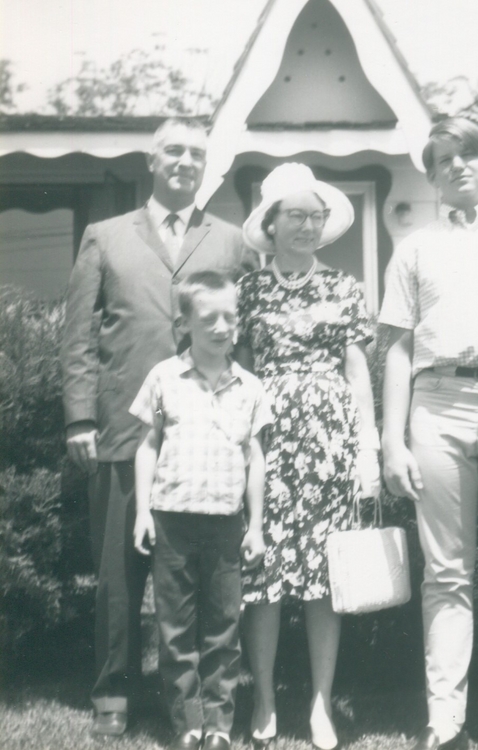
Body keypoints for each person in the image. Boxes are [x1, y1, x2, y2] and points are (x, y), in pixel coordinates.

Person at [61, 118, 257, 737]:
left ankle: (198, 704)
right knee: (119, 574)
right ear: (151, 160)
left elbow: (246, 339)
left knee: (206, 587)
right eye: (173, 150)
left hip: (211, 439)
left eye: (196, 154)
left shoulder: (229, 241)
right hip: (125, 428)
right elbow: (77, 336)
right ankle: (115, 693)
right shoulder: (105, 236)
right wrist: (81, 416)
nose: (184, 162)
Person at [380, 117, 478, 750]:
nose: (457, 166)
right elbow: (395, 348)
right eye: (442, 160)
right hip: (439, 408)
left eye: (467, 153)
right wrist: (391, 441)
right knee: (444, 574)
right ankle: (443, 722)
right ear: (432, 177)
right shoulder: (416, 247)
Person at [236, 163, 381, 750]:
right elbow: (239, 371)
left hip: (330, 441)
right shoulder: (248, 290)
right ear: (270, 223)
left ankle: (321, 702)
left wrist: (367, 450)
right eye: (294, 215)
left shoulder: (345, 288)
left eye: (314, 217)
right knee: (264, 575)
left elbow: (357, 373)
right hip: (266, 441)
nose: (305, 226)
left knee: (327, 576)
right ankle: (266, 697)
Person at [129, 271, 272, 750]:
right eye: (208, 318)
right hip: (171, 520)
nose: (220, 326)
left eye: (230, 316)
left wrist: (256, 526)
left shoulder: (250, 387)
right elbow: (148, 447)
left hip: (226, 525)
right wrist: (143, 513)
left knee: (223, 629)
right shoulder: (164, 378)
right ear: (183, 324)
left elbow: (256, 460)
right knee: (174, 630)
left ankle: (219, 727)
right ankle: (186, 723)